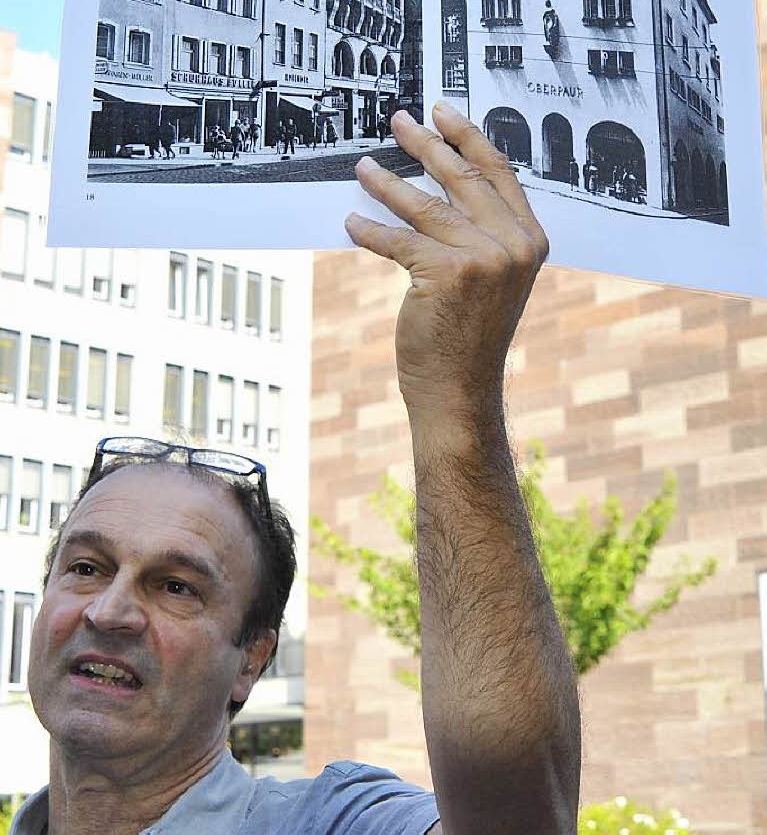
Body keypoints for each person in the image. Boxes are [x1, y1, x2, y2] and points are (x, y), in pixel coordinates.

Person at [10, 103, 581, 835]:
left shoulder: (332, 820)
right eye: (85, 567)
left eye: (176, 586)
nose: (108, 611)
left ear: (251, 661)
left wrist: (455, 393)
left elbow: (517, 820)